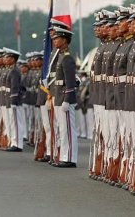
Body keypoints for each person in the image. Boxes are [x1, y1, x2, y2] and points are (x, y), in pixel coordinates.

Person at [52, 26, 78, 168]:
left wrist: (67, 100)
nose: (55, 41)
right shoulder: (61, 57)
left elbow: (70, 82)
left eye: (57, 38)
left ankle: (69, 158)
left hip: (65, 98)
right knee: (62, 129)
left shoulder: (67, 59)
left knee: (68, 129)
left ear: (65, 40)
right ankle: (64, 156)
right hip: (59, 96)